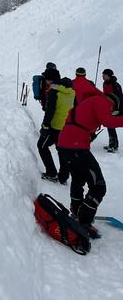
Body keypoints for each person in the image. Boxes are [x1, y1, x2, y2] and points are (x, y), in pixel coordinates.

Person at [58, 93, 123, 234]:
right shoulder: (103, 101)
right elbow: (108, 121)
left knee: (78, 178)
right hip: (76, 147)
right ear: (113, 103)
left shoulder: (89, 102)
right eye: (113, 110)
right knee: (99, 186)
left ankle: (76, 211)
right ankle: (84, 221)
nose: (111, 111)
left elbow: (78, 120)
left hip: (66, 145)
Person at [37, 73, 75, 183]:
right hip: (67, 127)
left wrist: (45, 126)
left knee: (42, 146)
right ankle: (63, 177)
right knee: (62, 151)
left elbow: (50, 111)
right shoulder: (72, 93)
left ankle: (51, 173)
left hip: (54, 127)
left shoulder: (54, 92)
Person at [102, 69, 123, 152]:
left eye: (104, 74)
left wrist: (117, 110)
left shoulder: (115, 85)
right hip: (108, 108)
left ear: (108, 75)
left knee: (110, 125)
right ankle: (113, 144)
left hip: (116, 109)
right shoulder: (105, 83)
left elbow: (120, 98)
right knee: (109, 125)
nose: (102, 76)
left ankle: (113, 145)